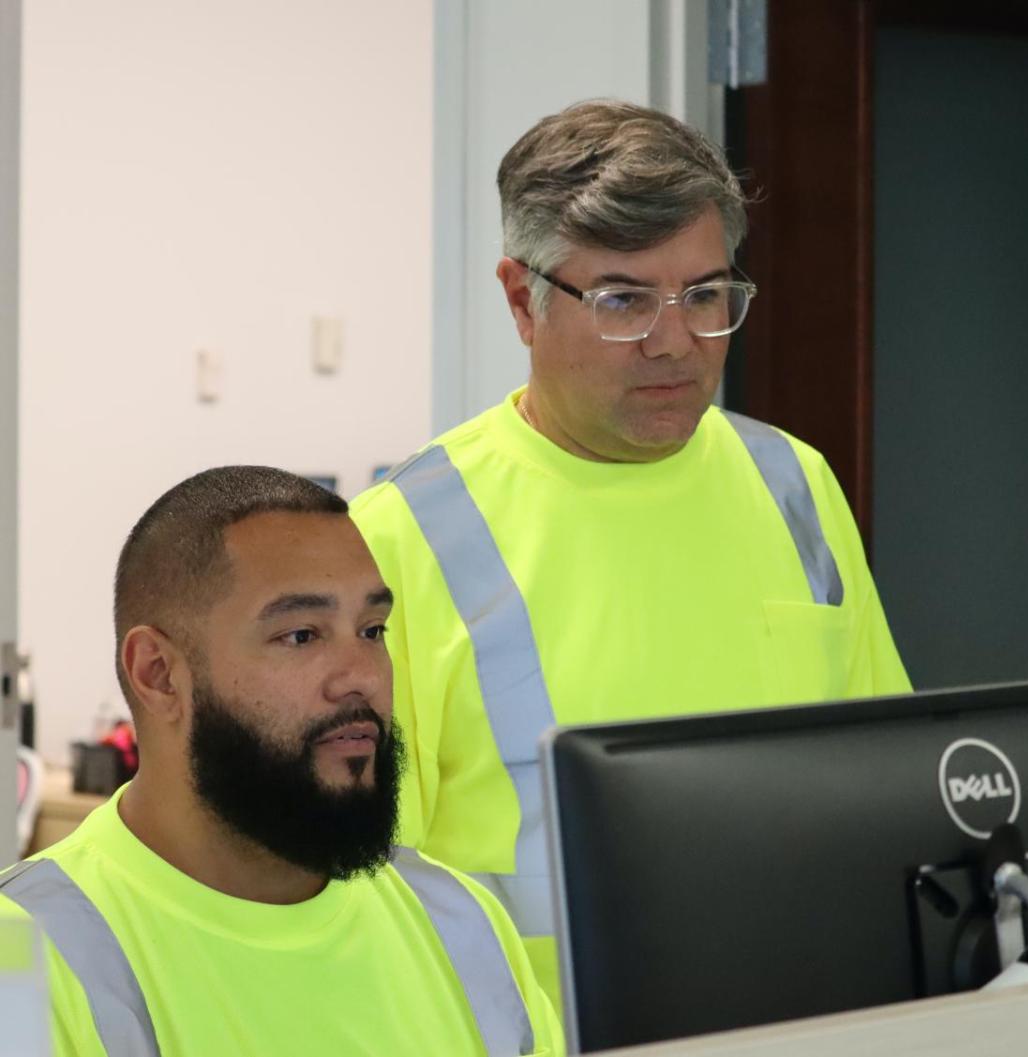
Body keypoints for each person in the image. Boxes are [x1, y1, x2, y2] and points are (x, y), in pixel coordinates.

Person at [350, 99, 911, 1006]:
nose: (675, 341)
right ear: (519, 300)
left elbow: (892, 788)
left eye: (704, 295)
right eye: (622, 300)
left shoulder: (792, 483)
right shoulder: (399, 536)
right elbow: (366, 900)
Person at [0, 467, 561, 1057]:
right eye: (301, 636)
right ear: (159, 674)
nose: (364, 677)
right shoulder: (21, 957)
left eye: (372, 630)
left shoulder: (462, 924)